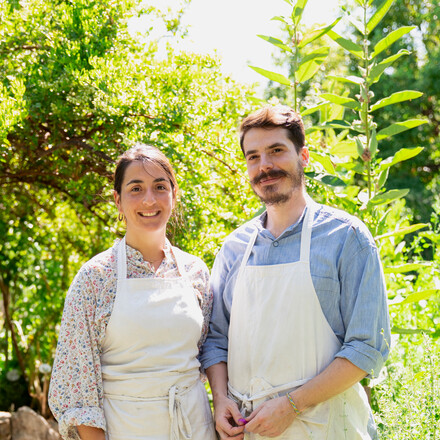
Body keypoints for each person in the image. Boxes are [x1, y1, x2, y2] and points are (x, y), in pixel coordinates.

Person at [200, 105, 391, 440]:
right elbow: (216, 340)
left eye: (276, 151)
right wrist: (220, 399)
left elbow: (367, 346)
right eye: (253, 156)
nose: (265, 166)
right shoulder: (234, 248)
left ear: (303, 156)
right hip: (250, 431)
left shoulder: (347, 238)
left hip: (330, 427)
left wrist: (291, 405)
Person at [49, 144, 217, 440]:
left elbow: (208, 353)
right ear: (118, 200)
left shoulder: (196, 272)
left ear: (174, 196)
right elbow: (77, 388)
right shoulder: (96, 278)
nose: (149, 199)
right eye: (136, 188)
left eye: (160, 187)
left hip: (195, 428)